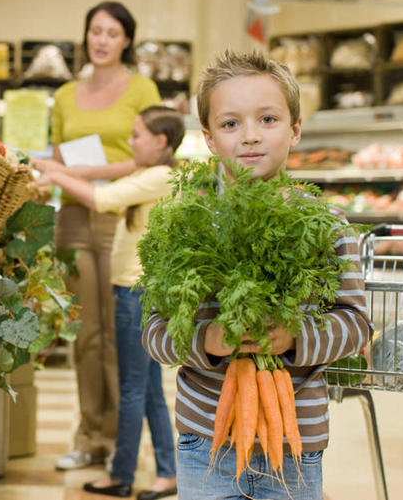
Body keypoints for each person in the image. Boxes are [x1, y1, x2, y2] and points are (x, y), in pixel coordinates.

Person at [140, 50, 373, 500]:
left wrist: (294, 337)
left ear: (295, 129)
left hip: (295, 441)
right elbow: (153, 331)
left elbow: (356, 322)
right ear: (209, 138)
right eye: (230, 124)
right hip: (204, 441)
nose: (250, 136)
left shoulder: (326, 225)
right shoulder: (187, 226)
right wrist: (206, 340)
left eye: (268, 119)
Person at [34, 105, 183, 499]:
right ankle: (167, 472)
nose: (130, 142)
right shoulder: (150, 174)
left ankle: (121, 475)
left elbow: (101, 199)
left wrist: (55, 174)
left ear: (160, 141)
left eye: (136, 135)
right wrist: (60, 169)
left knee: (132, 388)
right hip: (137, 291)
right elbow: (99, 182)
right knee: (149, 390)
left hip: (136, 294)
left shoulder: (159, 177)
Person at [46, 0, 162, 472]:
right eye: (96, 30)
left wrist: (90, 173)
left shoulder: (142, 88)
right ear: (85, 35)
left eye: (112, 33)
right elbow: (57, 159)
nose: (102, 40)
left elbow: (147, 158)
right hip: (75, 216)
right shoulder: (65, 95)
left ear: (126, 40)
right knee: (86, 334)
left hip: (123, 218)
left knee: (119, 333)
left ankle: (121, 441)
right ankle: (89, 436)